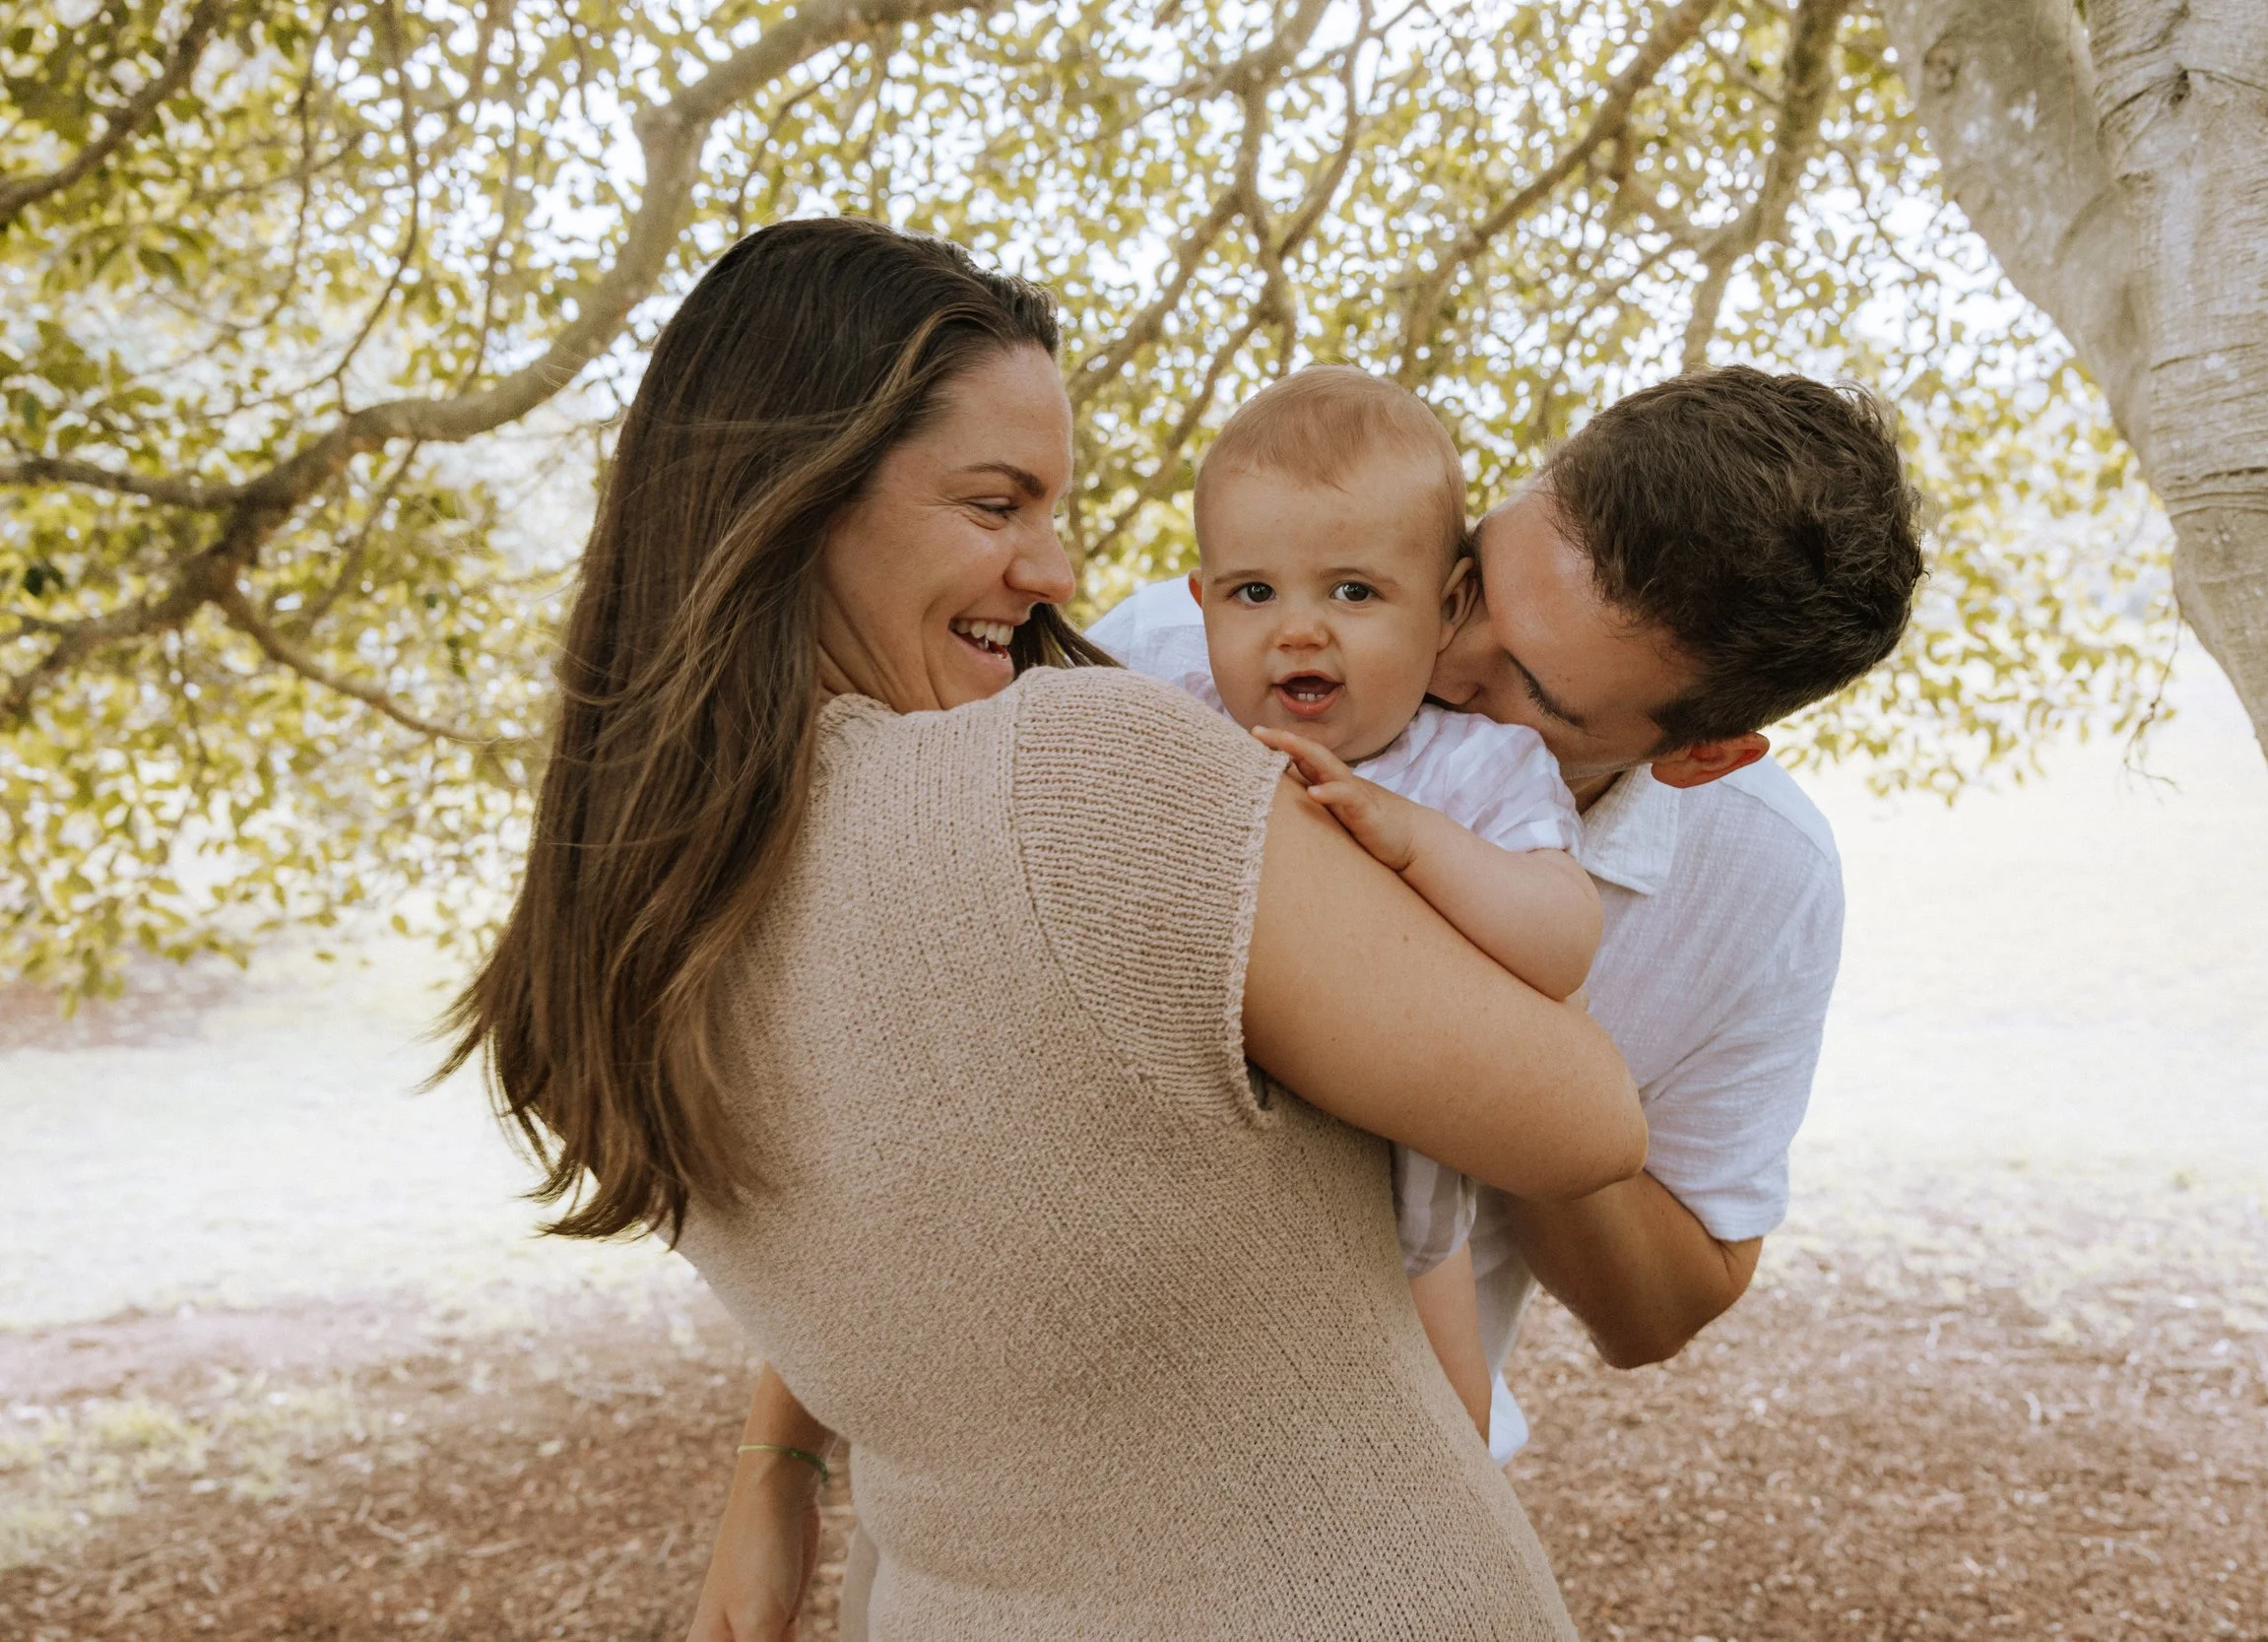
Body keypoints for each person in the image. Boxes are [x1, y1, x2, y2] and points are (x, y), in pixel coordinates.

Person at [437, 216, 1647, 1641]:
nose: (1059, 567)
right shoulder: (1078, 778)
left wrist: (775, 1461)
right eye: (996, 503)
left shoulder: (620, 945)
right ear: (800, 495)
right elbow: (1585, 1122)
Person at [1094, 364, 1924, 1458]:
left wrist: (1513, 1059)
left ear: (1702, 754)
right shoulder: (1170, 662)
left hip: (1377, 1434)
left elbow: (1660, 1312)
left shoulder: (1764, 881)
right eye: (1473, 582)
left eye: (1532, 690)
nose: (1444, 656)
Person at [1102, 362, 1602, 1438]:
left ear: (1447, 607)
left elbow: (1561, 939)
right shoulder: (1171, 724)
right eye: (1253, 592)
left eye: (1353, 591)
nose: (1296, 630)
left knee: (1451, 1436)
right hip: (1198, 1189)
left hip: (1403, 1220)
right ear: (1201, 606)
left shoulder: (1474, 769)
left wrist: (1414, 839)